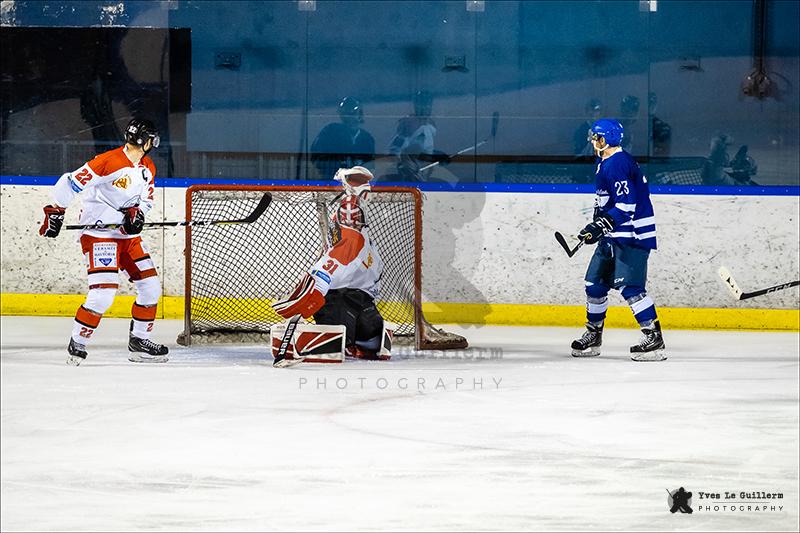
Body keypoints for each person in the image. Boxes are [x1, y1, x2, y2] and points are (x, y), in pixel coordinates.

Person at [38, 118, 169, 366]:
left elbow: (146, 200)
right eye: (152, 139)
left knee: (150, 287)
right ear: (144, 141)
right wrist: (56, 210)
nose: (154, 143)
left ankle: (139, 342)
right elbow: (70, 181)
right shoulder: (108, 161)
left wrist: (138, 215)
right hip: (100, 236)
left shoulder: (147, 167)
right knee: (103, 294)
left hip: (128, 237)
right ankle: (78, 342)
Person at [271, 166, 393, 366]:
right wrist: (318, 283)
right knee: (354, 335)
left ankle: (345, 340)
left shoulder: (356, 232)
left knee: (362, 332)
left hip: (351, 300)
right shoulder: (352, 234)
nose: (351, 215)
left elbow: (345, 254)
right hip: (349, 303)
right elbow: (339, 257)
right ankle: (346, 340)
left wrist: (318, 282)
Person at [570, 119, 666, 362]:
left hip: (632, 235)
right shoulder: (606, 162)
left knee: (630, 287)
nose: (593, 142)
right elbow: (607, 203)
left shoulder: (617, 163)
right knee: (594, 284)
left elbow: (627, 205)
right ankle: (594, 335)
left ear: (607, 139)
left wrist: (601, 224)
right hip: (613, 235)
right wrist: (596, 227)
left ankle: (653, 338)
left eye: (597, 138)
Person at [387, 90, 450, 181]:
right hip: (408, 173)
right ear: (416, 105)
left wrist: (439, 156)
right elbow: (394, 150)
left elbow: (427, 150)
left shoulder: (431, 125)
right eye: (422, 104)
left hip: (426, 170)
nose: (426, 108)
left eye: (428, 105)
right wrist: (405, 165)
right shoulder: (408, 123)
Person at [310, 97, 375, 181]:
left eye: (353, 114)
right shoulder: (329, 132)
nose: (350, 118)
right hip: (331, 182)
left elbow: (370, 166)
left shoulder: (367, 139)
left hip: (357, 184)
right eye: (346, 114)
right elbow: (316, 157)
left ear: (360, 115)